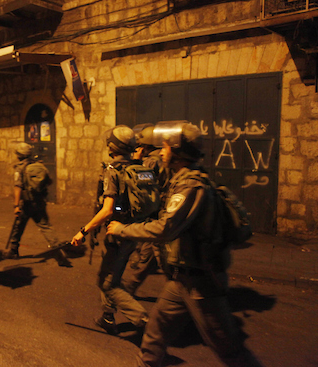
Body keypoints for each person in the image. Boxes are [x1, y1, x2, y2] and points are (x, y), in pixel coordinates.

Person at [106, 121, 262, 367]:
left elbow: (165, 228)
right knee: (155, 333)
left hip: (201, 283)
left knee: (229, 350)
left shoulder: (191, 186)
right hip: (181, 280)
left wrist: (122, 229)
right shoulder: (183, 179)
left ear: (178, 153)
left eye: (166, 147)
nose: (162, 151)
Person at [71, 125, 155, 336]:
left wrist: (83, 231)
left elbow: (107, 210)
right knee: (110, 275)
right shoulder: (141, 168)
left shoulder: (113, 170)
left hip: (117, 232)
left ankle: (144, 320)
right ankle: (108, 316)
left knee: (107, 283)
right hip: (134, 230)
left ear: (112, 147)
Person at [2, 142, 70, 267]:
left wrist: (16, 206)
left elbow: (18, 187)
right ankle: (58, 253)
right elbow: (49, 181)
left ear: (19, 155)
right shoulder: (38, 165)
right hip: (39, 202)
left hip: (26, 203)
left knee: (18, 226)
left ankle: (13, 250)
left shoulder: (20, 168)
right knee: (46, 227)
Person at [122, 124, 170, 297]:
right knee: (156, 252)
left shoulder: (150, 161)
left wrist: (135, 162)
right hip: (164, 209)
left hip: (156, 211)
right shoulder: (165, 158)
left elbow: (140, 181)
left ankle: (131, 287)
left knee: (152, 250)